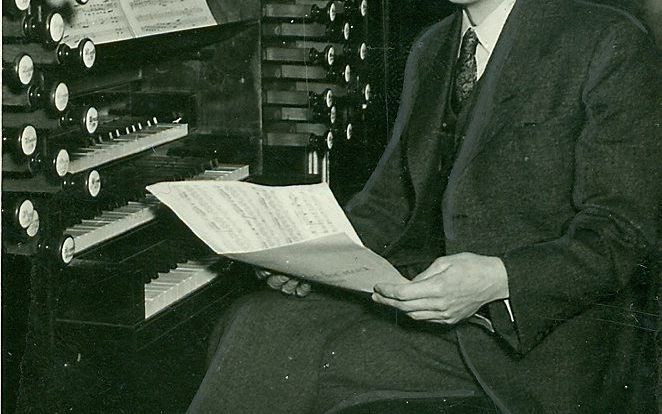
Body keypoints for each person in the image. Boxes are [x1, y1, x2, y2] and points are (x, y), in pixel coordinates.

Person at [187, 0, 661, 412]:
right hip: (425, 304)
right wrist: (307, 255)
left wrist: (498, 279)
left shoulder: (608, 41)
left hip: (537, 342)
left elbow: (621, 234)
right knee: (251, 318)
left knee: (273, 355)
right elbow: (391, 202)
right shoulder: (433, 47)